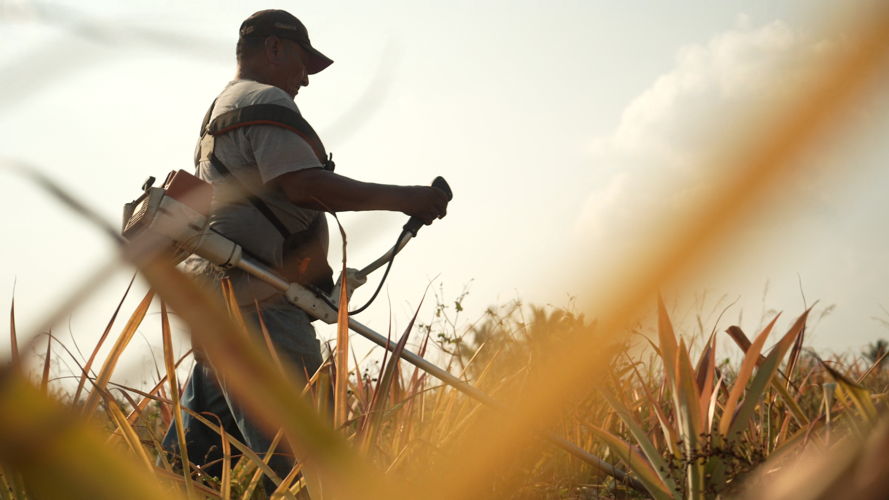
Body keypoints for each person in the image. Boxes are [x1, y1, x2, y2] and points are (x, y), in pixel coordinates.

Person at [160, 8, 449, 491]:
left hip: (225, 302)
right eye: (302, 64)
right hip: (261, 306)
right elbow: (302, 186)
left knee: (193, 469)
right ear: (274, 48)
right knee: (305, 460)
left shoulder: (221, 109)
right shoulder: (264, 98)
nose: (305, 80)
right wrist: (408, 199)